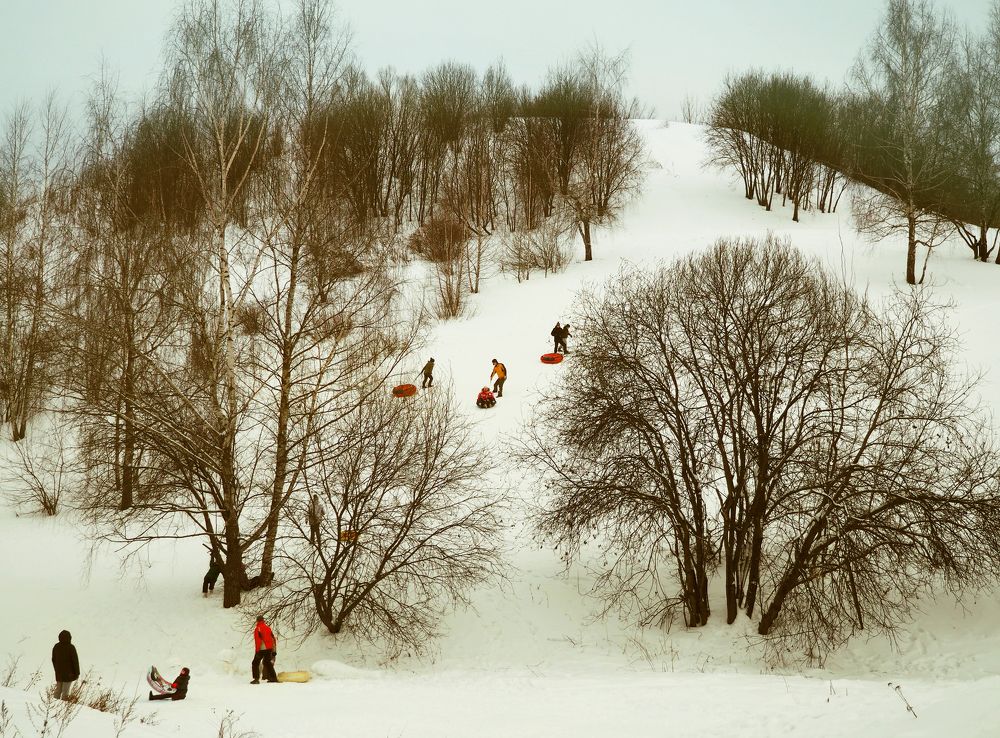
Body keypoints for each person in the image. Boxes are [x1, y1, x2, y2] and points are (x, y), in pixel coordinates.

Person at [51, 630, 79, 700]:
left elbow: (53, 659)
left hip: (59, 673)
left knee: (58, 691)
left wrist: (56, 669)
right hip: (69, 674)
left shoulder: (56, 646)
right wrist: (77, 673)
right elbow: (75, 661)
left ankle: (53, 705)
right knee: (65, 692)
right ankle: (64, 708)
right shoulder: (71, 647)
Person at [251, 615, 279, 684]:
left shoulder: (258, 628)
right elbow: (273, 638)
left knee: (255, 663)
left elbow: (258, 641)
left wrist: (257, 651)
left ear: (257, 621)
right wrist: (274, 650)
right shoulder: (268, 628)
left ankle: (256, 679)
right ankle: (273, 678)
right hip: (269, 649)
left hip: (261, 649)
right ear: (263, 620)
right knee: (267, 662)